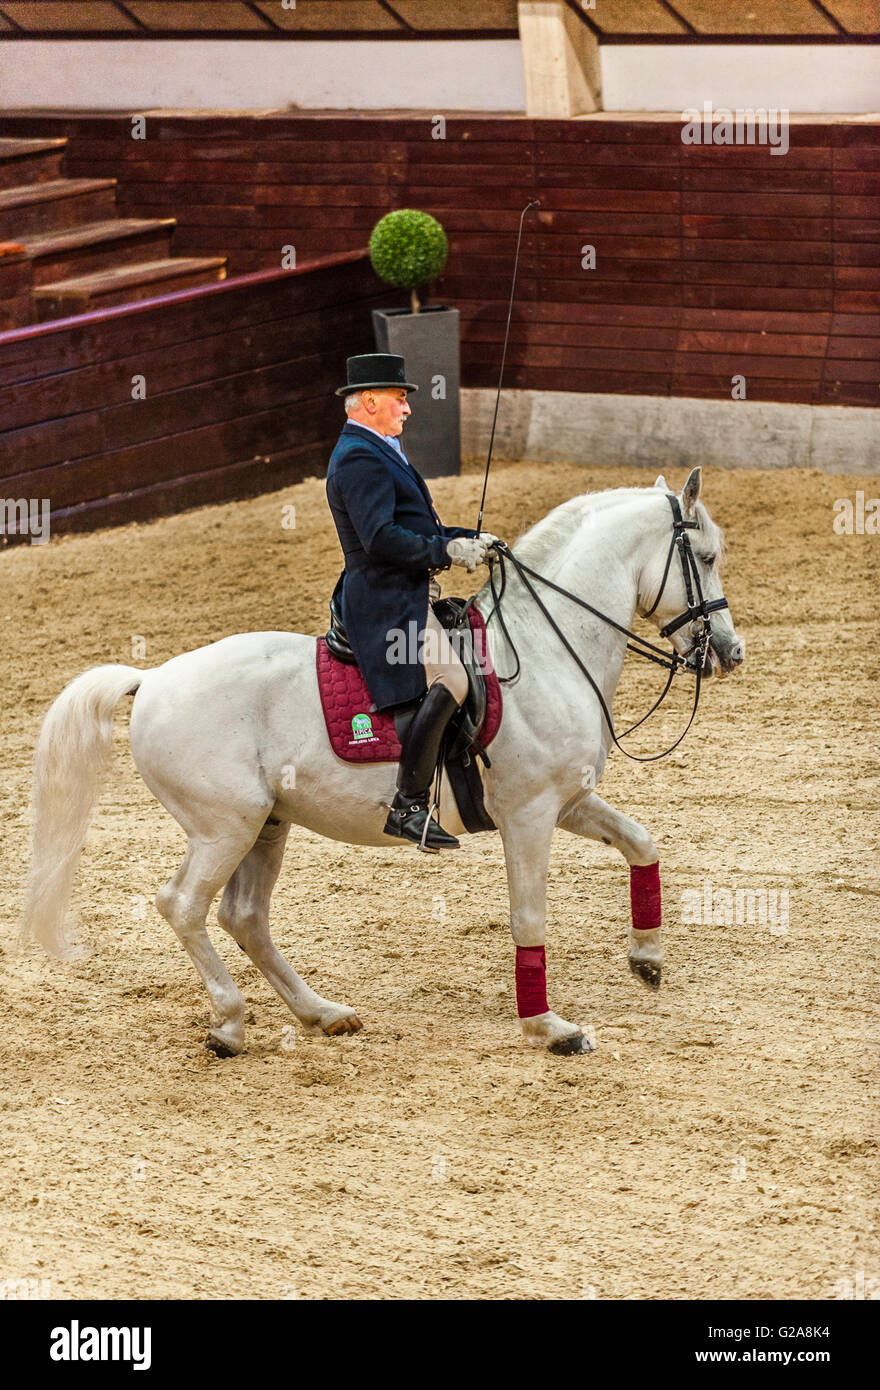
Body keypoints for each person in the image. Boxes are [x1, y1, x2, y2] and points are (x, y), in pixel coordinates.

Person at [326, 353, 500, 851]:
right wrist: (445, 550)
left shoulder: (380, 448)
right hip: (383, 600)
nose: (407, 409)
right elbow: (380, 538)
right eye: (401, 399)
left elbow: (416, 527)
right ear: (371, 400)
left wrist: (472, 540)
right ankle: (409, 804)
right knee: (454, 678)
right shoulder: (359, 456)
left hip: (401, 589)